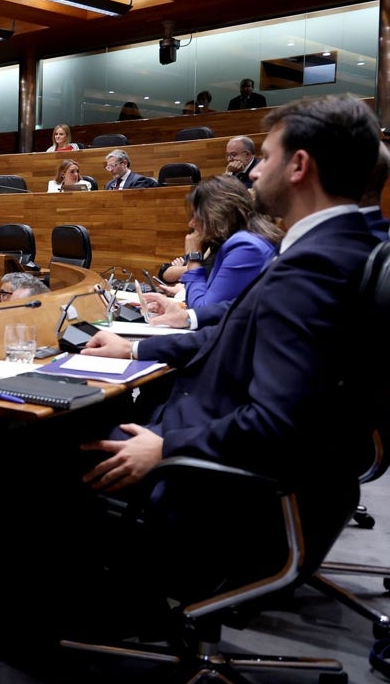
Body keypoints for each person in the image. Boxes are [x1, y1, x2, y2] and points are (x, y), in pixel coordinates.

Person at [79, 94, 383, 600]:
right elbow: (228, 335)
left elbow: (278, 422)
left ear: (299, 166)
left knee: (30, 445)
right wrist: (134, 351)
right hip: (258, 472)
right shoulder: (350, 247)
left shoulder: (311, 269)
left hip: (210, 485)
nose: (255, 172)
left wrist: (165, 447)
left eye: (265, 157)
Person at [171, 175, 282, 309]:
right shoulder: (241, 240)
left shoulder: (246, 247)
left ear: (216, 213)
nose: (191, 223)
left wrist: (193, 257)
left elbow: (202, 310)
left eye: (196, 215)